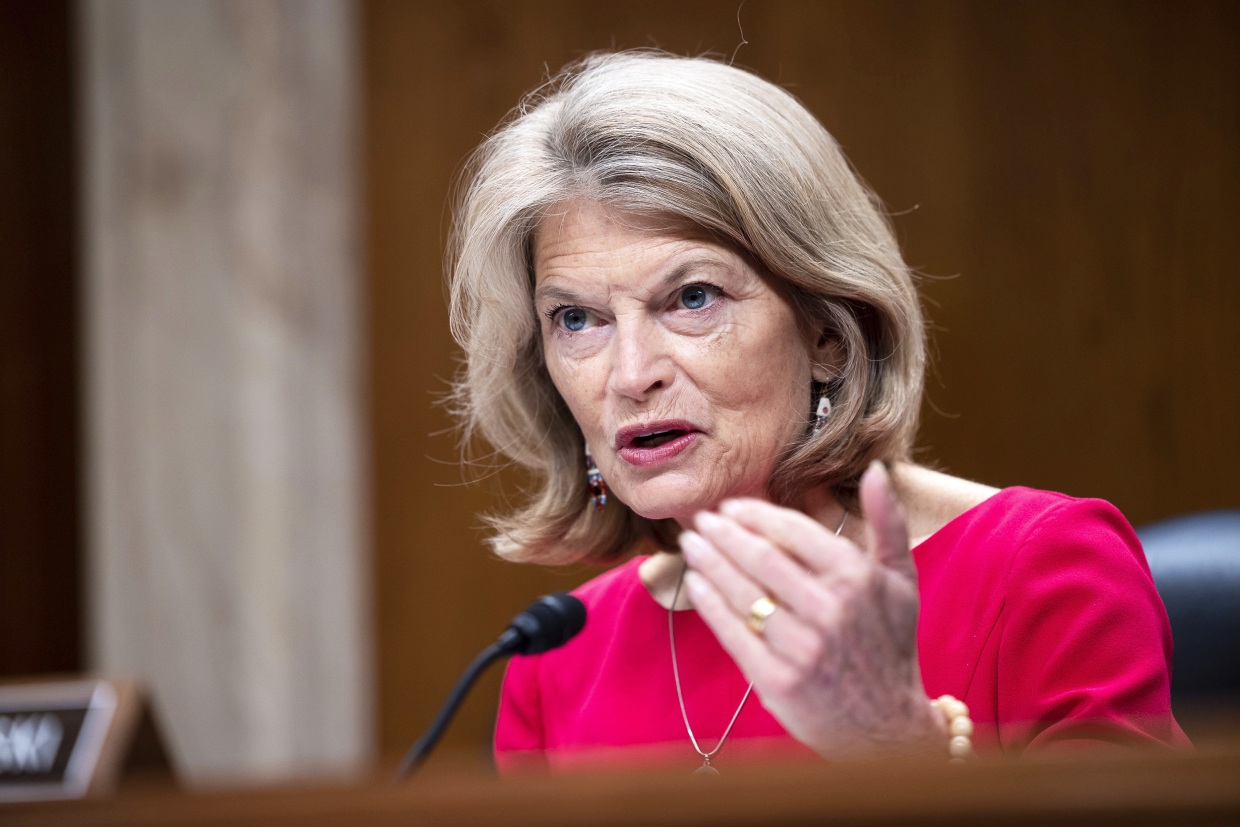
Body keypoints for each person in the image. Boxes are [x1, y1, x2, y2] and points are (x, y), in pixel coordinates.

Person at [445, 51, 1188, 773]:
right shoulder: (554, 660)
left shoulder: (1042, 570)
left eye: (693, 297)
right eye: (577, 319)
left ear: (830, 333)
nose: (631, 375)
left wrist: (899, 747)